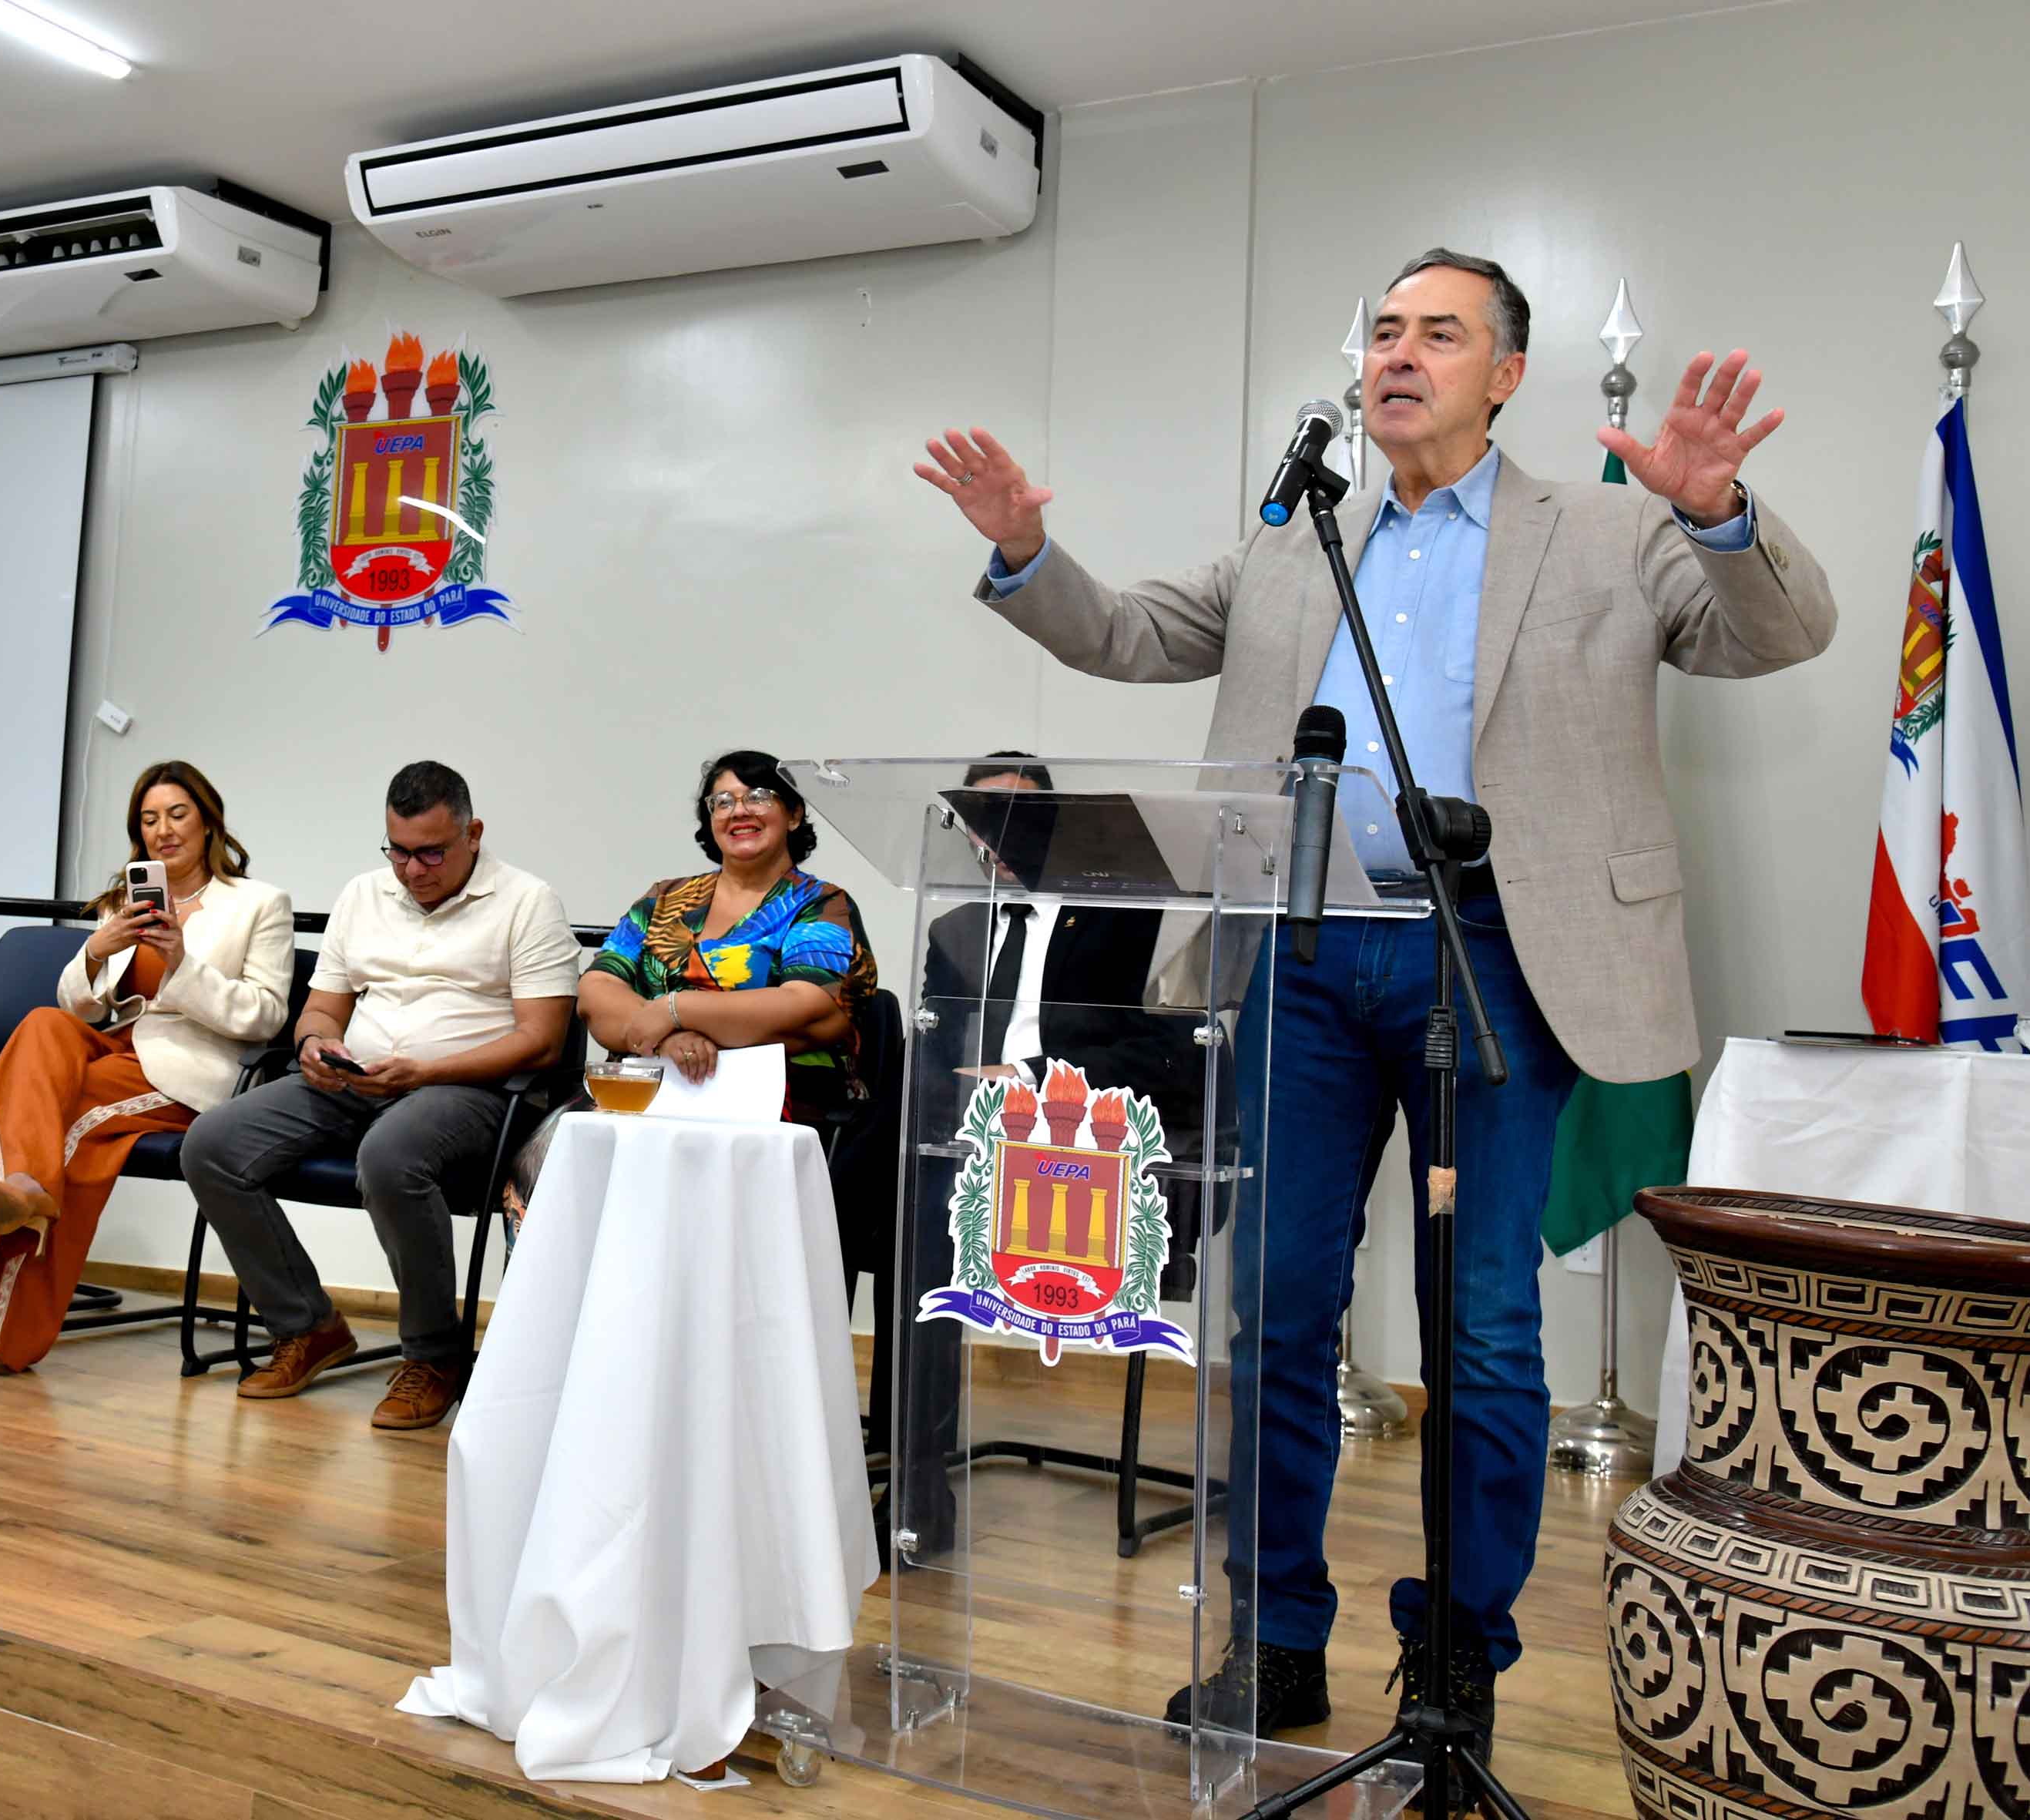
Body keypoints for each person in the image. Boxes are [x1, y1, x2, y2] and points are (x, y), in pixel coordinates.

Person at [918, 248, 1838, 1750]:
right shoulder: (1293, 539)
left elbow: (1773, 633)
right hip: (1297, 951)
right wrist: (1027, 553)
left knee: (1483, 1330)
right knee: (1273, 1305)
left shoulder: (1610, 531)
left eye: (1438, 332)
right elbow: (1132, 635)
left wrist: (1716, 512)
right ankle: (1275, 1636)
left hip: (1499, 956)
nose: (1397, 354)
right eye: (1384, 332)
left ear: (1505, 373)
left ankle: (1457, 1658)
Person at [180, 761, 578, 1431]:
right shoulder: (364, 894)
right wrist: (313, 1047)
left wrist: (424, 1072)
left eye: (432, 852)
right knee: (212, 1145)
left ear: (472, 834)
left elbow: (541, 1041)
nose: (413, 869)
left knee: (390, 1155)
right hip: (356, 1078)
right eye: (398, 851)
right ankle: (308, 1328)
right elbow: (321, 1011)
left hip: (471, 1088)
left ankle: (434, 1356)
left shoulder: (526, 901)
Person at [891, 754, 1219, 1557]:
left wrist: (1035, 1077)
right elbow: (939, 1052)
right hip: (971, 1145)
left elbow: (1171, 1052)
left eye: (1025, 816)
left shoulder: (1131, 916)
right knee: (909, 1195)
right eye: (985, 817)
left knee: (935, 1205)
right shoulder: (956, 927)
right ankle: (913, 1492)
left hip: (1088, 1145)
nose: (1001, 835)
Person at [0, 761, 291, 1371]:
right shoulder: (127, 900)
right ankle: (25, 1188)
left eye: (177, 815)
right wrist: (96, 951)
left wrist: (181, 963)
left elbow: (265, 1017)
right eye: (149, 820)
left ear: (208, 822)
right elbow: (75, 1006)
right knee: (41, 1027)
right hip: (120, 1048)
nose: (164, 830)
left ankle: (1, 1315)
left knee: (57, 1127)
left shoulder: (259, 905)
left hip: (187, 1072)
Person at [576, 749, 876, 1121]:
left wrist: (676, 1010)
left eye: (759, 797)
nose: (739, 811)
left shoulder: (821, 904)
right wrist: (670, 1041)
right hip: (647, 1088)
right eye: (722, 802)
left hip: (774, 1097)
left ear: (794, 814)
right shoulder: (664, 898)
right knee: (555, 1147)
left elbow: (807, 1005)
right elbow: (596, 989)